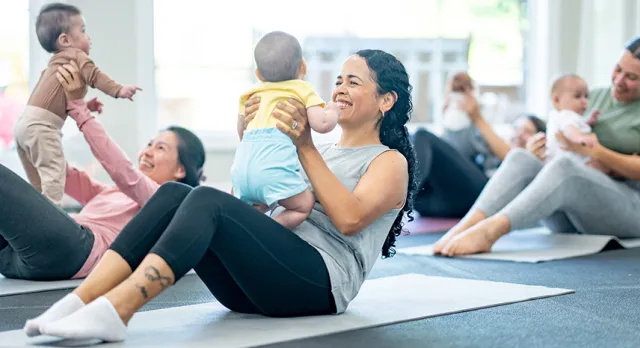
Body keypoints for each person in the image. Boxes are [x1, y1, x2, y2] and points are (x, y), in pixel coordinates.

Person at [26, 49, 417, 343]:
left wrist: (305, 146)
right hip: (259, 284)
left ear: (386, 101)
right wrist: (250, 146)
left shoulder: (389, 162)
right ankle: (80, 301)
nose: (340, 89)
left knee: (204, 199)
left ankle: (117, 310)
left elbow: (349, 219)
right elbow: (254, 207)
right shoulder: (324, 151)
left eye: (354, 82)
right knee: (177, 194)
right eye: (338, 81)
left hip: (317, 284)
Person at [433, 36, 640, 256]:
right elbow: (564, 138)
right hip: (572, 215)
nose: (619, 81)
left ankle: (489, 232)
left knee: (566, 167)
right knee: (520, 157)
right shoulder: (592, 97)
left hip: (631, 211)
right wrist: (539, 149)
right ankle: (465, 226)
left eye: (631, 77)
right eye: (618, 69)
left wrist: (597, 152)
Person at [1, 60, 204, 290]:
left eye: (160, 148)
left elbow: (122, 171)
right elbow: (53, 168)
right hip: (14, 258)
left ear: (180, 170)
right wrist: (39, 114)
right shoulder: (108, 193)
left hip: (71, 252)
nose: (147, 151)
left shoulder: (164, 201)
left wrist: (79, 110)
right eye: (149, 143)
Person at [13, 2, 140, 206]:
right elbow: (95, 75)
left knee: (37, 183)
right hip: (43, 128)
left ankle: (36, 211)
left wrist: (86, 105)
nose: (88, 36)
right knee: (54, 176)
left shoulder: (53, 64)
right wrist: (118, 90)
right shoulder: (76, 55)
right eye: (82, 30)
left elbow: (59, 100)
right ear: (65, 40)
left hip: (22, 126)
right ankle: (52, 217)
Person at [232, 31, 340, 229]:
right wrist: (333, 109)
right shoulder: (302, 89)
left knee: (249, 210)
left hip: (241, 170)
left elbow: (242, 132)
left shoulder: (250, 94)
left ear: (258, 73)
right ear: (303, 66)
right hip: (272, 171)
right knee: (302, 205)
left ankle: (245, 234)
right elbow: (322, 124)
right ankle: (269, 230)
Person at [413, 98, 546, 218]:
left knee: (422, 135)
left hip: (481, 197)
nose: (518, 134)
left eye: (527, 131)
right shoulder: (491, 151)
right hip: (441, 203)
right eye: (516, 128)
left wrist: (530, 157)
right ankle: (402, 194)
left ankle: (399, 195)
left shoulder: (537, 166)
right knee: (413, 139)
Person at [544, 73, 600, 166]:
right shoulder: (567, 114)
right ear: (557, 99)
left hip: (556, 161)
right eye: (577, 96)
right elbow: (569, 129)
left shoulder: (557, 115)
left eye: (586, 96)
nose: (584, 101)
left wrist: (589, 122)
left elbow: (574, 125)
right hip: (569, 162)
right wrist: (579, 138)